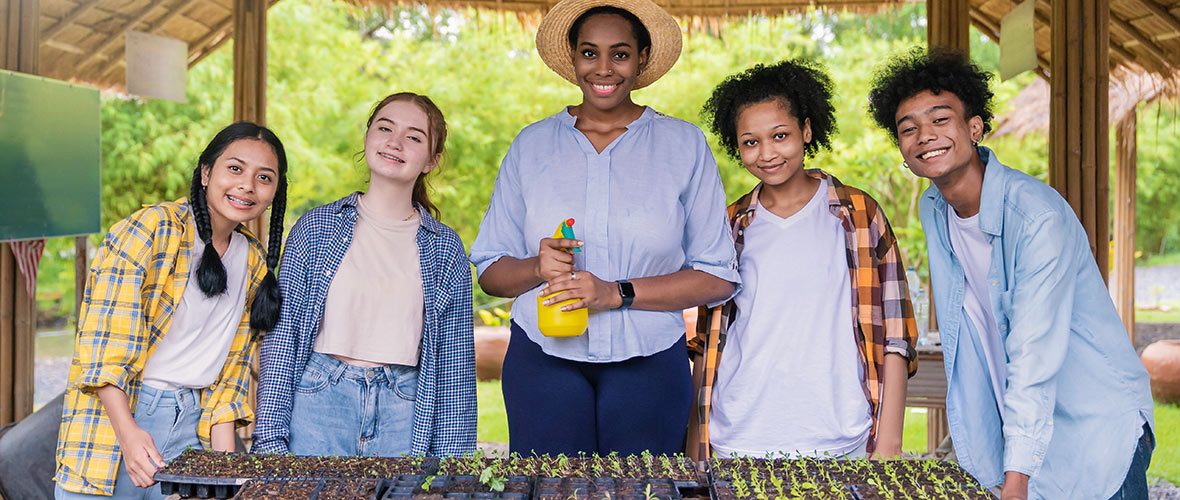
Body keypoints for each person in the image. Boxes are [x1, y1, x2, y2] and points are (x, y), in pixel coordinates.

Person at [867, 47, 1154, 499]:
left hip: (1095, 431)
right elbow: (972, 337)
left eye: (941, 120)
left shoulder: (1037, 218)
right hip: (1020, 433)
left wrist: (1015, 482)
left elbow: (1032, 355)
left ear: (975, 127)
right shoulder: (933, 208)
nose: (925, 136)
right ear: (902, 150)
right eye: (909, 129)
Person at [469, 0, 739, 455]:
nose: (604, 67)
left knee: (641, 489)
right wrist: (538, 266)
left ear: (642, 59)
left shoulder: (682, 145)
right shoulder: (532, 145)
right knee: (551, 488)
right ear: (574, 58)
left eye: (620, 53)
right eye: (590, 52)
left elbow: (717, 275)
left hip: (650, 360)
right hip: (542, 359)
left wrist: (616, 292)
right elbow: (490, 272)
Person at [689, 59, 917, 460]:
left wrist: (890, 444)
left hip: (840, 439)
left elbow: (897, 335)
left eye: (780, 135)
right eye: (750, 141)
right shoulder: (730, 225)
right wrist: (696, 446)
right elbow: (709, 342)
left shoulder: (859, 214)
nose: (767, 153)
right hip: (738, 436)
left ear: (806, 131)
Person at [55, 122, 288, 499]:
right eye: (235, 168)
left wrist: (225, 473)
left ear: (276, 191)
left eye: (264, 177)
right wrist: (129, 436)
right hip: (119, 417)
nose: (247, 185)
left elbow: (228, 381)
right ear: (206, 172)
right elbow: (104, 351)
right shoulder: (153, 229)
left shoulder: (255, 262)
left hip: (192, 428)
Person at [252, 92, 475, 457]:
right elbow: (283, 338)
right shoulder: (317, 227)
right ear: (368, 136)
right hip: (318, 401)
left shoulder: (445, 248)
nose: (395, 142)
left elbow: (455, 366)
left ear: (431, 161)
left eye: (414, 137)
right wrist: (270, 440)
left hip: (404, 407)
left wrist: (452, 469)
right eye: (385, 128)